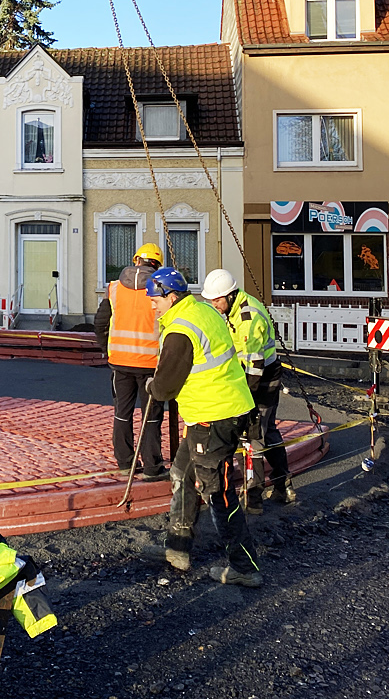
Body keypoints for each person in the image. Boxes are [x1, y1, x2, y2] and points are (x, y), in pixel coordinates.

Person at [144, 266, 262, 587]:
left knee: (219, 492)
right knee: (182, 472)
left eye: (155, 299)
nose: (152, 305)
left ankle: (244, 566)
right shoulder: (202, 311)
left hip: (214, 418)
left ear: (170, 297)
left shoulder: (181, 329)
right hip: (214, 414)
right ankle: (177, 548)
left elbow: (166, 387)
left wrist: (152, 386)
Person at [201, 268, 296, 512]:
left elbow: (254, 369)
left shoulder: (247, 318)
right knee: (266, 430)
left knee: (253, 433)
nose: (214, 304)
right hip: (253, 373)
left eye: (217, 299)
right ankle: (283, 484)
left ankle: (254, 497)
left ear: (230, 295)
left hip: (263, 377)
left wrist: (245, 402)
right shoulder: (234, 309)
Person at [93, 243, 168, 480]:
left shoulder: (114, 288)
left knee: (122, 414)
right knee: (152, 416)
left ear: (137, 261)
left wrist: (107, 348)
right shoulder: (162, 290)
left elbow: (100, 323)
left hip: (120, 362)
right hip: (150, 364)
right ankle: (152, 468)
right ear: (156, 265)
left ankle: (125, 463)